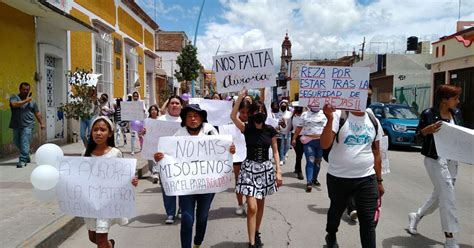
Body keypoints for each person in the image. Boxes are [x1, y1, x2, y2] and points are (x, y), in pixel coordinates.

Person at [154, 104, 235, 248]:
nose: (193, 119)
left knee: (202, 217)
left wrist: (230, 150)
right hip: (187, 186)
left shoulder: (211, 132)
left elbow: (222, 152)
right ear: (185, 119)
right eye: (189, 116)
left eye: (196, 116)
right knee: (187, 218)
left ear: (202, 118)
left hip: (208, 185)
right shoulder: (178, 135)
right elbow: (167, 155)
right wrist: (160, 157)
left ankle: (198, 242)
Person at [320, 96, 384, 248]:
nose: (365, 98)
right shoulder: (339, 115)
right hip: (339, 178)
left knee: (368, 221)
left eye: (368, 95)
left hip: (367, 179)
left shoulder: (372, 119)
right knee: (336, 211)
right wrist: (329, 119)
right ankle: (331, 234)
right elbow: (324, 144)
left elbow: (376, 153)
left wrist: (379, 181)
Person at [407, 84, 464, 248]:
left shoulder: (457, 113)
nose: (458, 102)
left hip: (453, 161)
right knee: (448, 198)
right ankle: (451, 239)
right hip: (435, 160)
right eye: (455, 98)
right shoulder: (429, 114)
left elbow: (460, 135)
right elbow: (416, 139)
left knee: (440, 196)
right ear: (445, 100)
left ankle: (416, 216)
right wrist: (426, 131)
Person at [231, 89, 283, 248]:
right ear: (252, 113)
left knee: (260, 206)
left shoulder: (270, 130)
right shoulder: (247, 128)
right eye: (257, 111)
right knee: (251, 207)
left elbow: (275, 150)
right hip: (249, 170)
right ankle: (252, 243)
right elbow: (233, 117)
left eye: (262, 111)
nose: (260, 113)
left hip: (265, 169)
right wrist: (240, 98)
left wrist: (278, 171)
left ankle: (256, 233)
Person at [83, 116, 138, 248]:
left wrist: (132, 181)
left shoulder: (115, 153)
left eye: (102, 130)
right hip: (91, 204)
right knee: (93, 237)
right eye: (95, 130)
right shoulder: (85, 154)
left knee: (101, 240)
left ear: (110, 133)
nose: (98, 133)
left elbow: (123, 176)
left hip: (107, 203)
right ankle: (110, 245)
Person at [157, 95, 184, 224]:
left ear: (181, 106)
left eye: (177, 103)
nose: (174, 105)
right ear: (168, 106)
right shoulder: (160, 120)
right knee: (167, 186)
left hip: (182, 159)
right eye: (172, 103)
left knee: (182, 185)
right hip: (165, 159)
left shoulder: (185, 121)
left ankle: (182, 209)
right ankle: (170, 213)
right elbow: (152, 138)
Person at [292, 104, 327, 192]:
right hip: (309, 142)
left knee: (318, 163)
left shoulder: (324, 114)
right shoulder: (305, 114)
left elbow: (329, 127)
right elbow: (299, 127)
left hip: (320, 142)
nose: (315, 105)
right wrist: (294, 138)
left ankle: (314, 178)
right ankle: (309, 182)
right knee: (310, 161)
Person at [9, 82, 45, 168]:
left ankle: (22, 160)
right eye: (24, 89)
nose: (25, 91)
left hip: (28, 125)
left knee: (24, 142)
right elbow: (14, 104)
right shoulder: (14, 98)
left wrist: (41, 123)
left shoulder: (32, 101)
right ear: (20, 89)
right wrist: (26, 100)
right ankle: (27, 154)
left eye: (27, 90)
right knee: (16, 141)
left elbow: (37, 113)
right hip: (16, 124)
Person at [233, 99, 251, 216]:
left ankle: (249, 202)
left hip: (250, 157)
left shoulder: (254, 124)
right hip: (237, 157)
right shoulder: (232, 124)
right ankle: (240, 203)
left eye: (247, 112)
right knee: (239, 181)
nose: (244, 115)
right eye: (242, 112)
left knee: (249, 181)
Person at [139, 104, 160, 184]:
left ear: (157, 111)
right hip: (149, 142)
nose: (153, 111)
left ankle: (155, 174)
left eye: (155, 109)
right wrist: (142, 133)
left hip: (157, 142)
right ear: (150, 111)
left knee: (155, 158)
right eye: (152, 110)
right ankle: (153, 172)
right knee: (150, 158)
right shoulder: (146, 121)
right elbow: (143, 131)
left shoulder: (160, 120)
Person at [289, 104, 304, 180]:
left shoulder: (305, 116)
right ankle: (299, 172)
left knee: (300, 154)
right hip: (295, 136)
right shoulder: (292, 117)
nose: (298, 110)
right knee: (299, 153)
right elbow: (289, 127)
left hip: (303, 136)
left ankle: (296, 167)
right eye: (297, 108)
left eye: (300, 108)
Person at [277, 100, 292, 165]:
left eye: (284, 106)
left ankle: (283, 154)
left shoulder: (289, 113)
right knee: (281, 146)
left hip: (288, 132)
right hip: (280, 132)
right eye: (282, 105)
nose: (283, 106)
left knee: (288, 146)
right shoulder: (278, 113)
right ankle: (282, 159)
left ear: (286, 106)